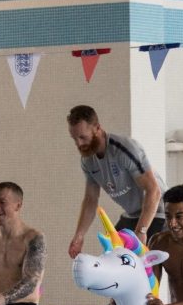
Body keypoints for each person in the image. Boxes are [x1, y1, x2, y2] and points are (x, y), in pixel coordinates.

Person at [66, 105, 167, 258]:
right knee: (112, 257)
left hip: (158, 212)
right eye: (74, 139)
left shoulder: (124, 149)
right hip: (132, 215)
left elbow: (154, 190)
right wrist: (79, 236)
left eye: (82, 137)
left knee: (140, 266)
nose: (79, 144)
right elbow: (90, 200)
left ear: (97, 128)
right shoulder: (88, 161)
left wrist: (141, 232)